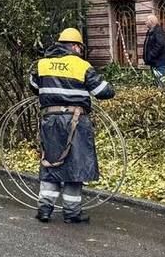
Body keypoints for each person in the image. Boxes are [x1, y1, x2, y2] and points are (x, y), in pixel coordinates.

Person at [28, 27, 114, 224]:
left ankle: (44, 209)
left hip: (50, 121)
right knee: (76, 166)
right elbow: (103, 91)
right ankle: (72, 213)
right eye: (80, 48)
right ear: (75, 46)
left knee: (51, 163)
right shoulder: (82, 66)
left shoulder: (42, 64)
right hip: (76, 122)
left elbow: (34, 86)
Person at [142, 13, 165, 87]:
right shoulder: (150, 31)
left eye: (147, 20)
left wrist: (151, 55)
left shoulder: (158, 31)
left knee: (161, 82)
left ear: (151, 21)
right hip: (154, 62)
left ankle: (163, 92)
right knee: (157, 81)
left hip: (159, 62)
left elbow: (160, 44)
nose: (145, 22)